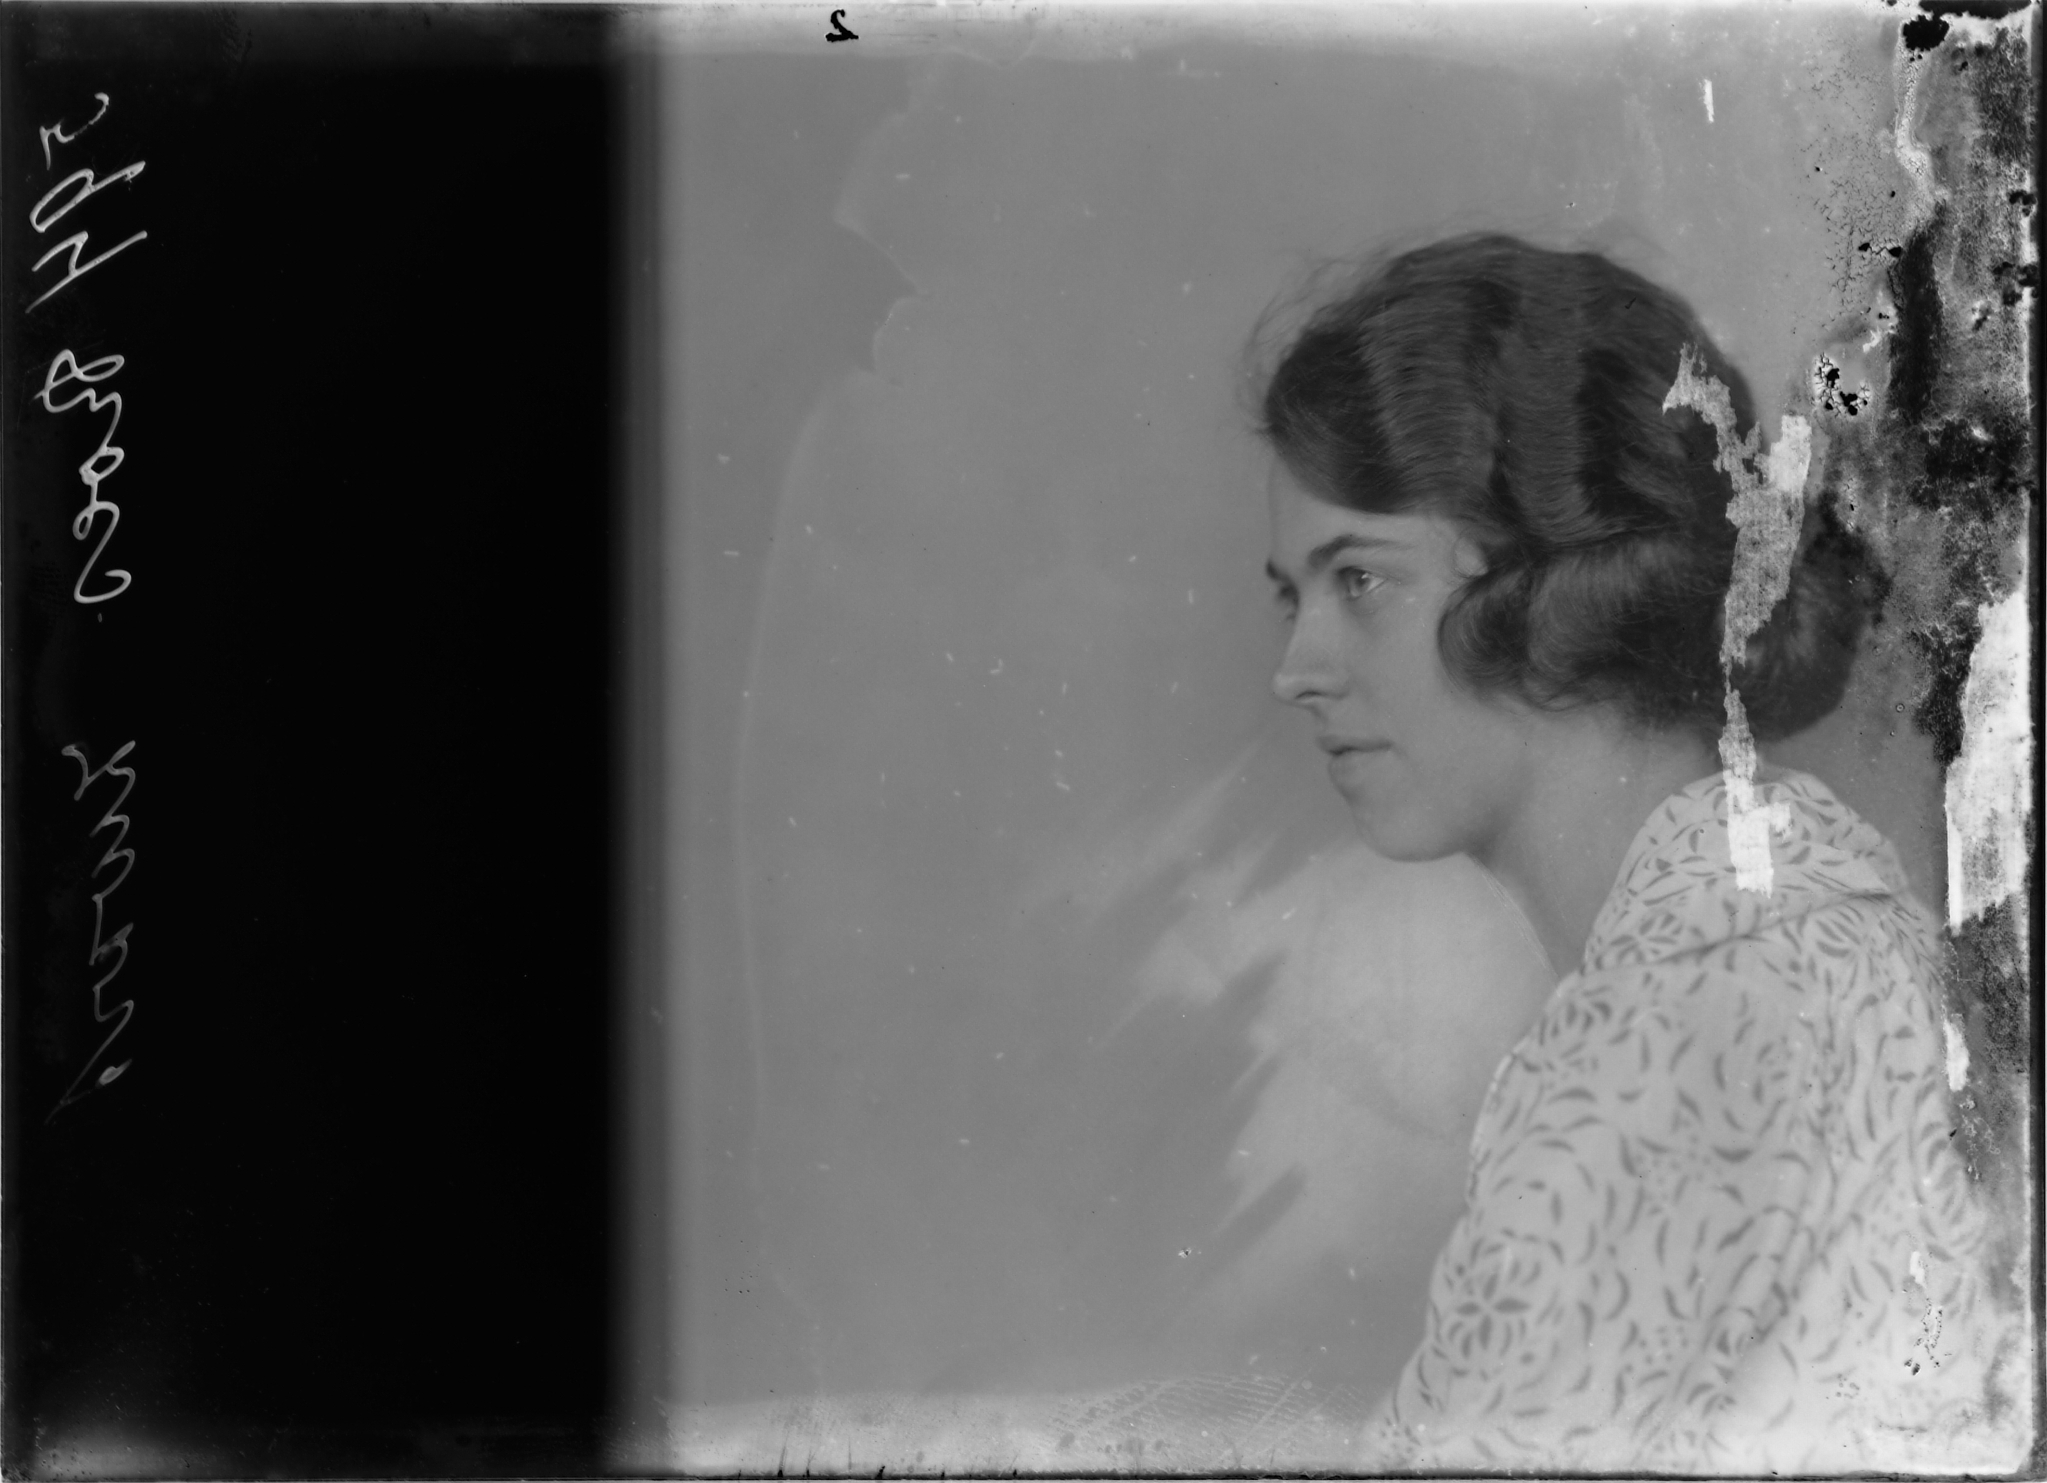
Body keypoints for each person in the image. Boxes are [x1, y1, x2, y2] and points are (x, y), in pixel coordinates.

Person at [1253, 234, 2029, 1472]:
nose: (1295, 669)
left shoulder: (1666, 1034)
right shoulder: (1801, 921)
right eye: (1288, 596)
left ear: (1551, 598)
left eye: (1359, 581)